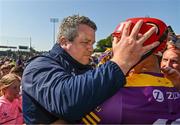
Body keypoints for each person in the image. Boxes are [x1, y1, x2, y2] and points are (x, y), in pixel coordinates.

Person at [22, 15, 159, 124]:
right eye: (85, 42)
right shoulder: (38, 66)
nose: (91, 48)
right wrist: (120, 62)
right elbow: (68, 102)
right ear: (64, 42)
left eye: (92, 43)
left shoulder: (85, 67)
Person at [81, 17, 180, 124]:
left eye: (122, 43)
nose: (116, 50)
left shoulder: (118, 92)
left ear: (141, 46)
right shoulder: (173, 84)